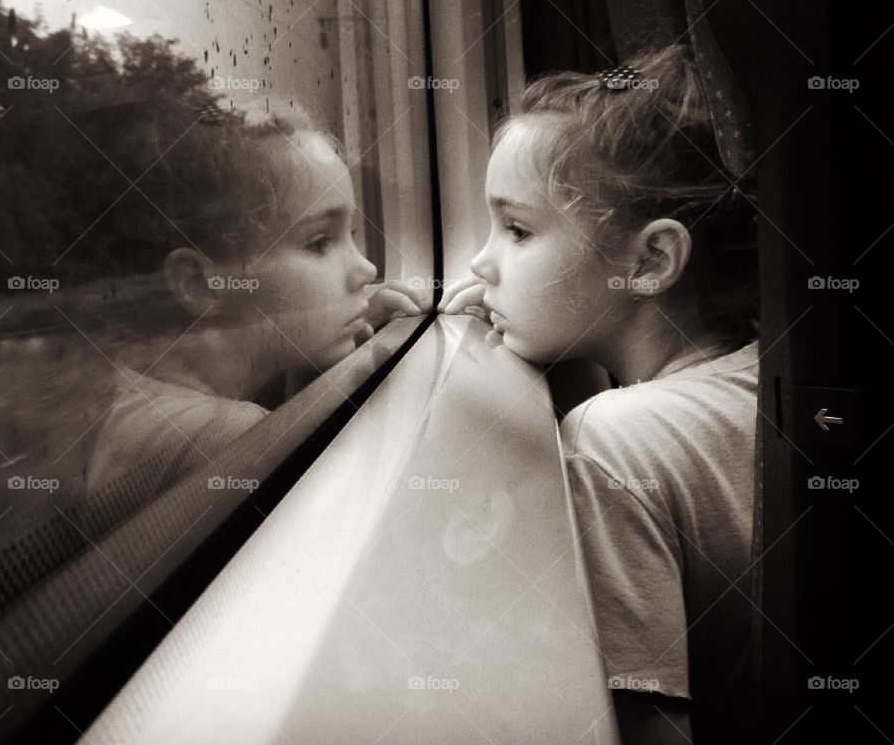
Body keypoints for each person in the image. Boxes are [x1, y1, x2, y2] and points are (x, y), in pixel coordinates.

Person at [439, 45, 758, 745]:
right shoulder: (761, 375)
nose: (479, 262)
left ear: (649, 262)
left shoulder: (612, 442)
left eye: (517, 229)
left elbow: (651, 730)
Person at [85, 103, 428, 502]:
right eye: (319, 243)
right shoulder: (229, 436)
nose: (367, 269)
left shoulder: (145, 395)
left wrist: (318, 351)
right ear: (202, 285)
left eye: (351, 234)